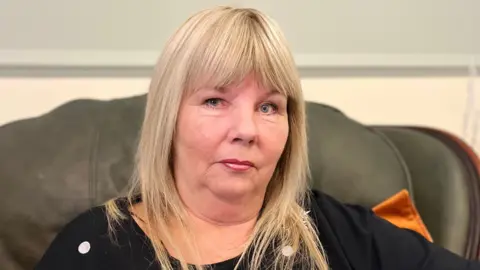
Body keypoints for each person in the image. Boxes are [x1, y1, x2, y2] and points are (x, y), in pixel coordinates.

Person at [35, 6, 480, 270]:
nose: (246, 130)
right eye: (214, 100)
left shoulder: (336, 233)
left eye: (269, 107)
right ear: (167, 118)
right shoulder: (91, 248)